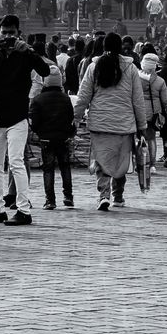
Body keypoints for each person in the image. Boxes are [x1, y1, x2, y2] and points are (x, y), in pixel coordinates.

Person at [0, 13, 51, 225]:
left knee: (16, 162)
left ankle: (24, 210)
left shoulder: (25, 54)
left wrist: (28, 51)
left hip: (17, 116)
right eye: (4, 33)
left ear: (19, 34)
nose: (7, 37)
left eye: (11, 33)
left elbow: (45, 70)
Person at [75, 31, 147, 210]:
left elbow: (83, 96)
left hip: (100, 123)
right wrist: (142, 125)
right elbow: (137, 100)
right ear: (121, 47)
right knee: (121, 161)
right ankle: (118, 196)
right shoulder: (131, 69)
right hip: (124, 125)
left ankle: (103, 194)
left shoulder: (94, 67)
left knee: (102, 160)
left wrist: (76, 117)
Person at [29, 66, 76, 209]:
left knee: (48, 169)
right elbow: (70, 118)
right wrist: (70, 133)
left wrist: (39, 132)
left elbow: (34, 122)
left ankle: (50, 200)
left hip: (46, 139)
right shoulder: (66, 98)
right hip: (63, 138)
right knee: (65, 167)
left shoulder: (37, 99)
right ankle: (68, 196)